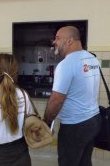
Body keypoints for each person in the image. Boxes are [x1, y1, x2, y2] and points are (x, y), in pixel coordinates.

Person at [43, 26, 101, 166]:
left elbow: (56, 100)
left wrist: (46, 122)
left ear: (70, 40)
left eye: (58, 38)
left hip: (75, 126)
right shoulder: (92, 59)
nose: (54, 42)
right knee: (84, 162)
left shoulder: (66, 64)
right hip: (93, 120)